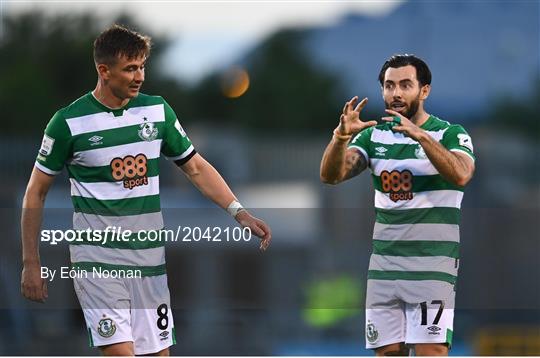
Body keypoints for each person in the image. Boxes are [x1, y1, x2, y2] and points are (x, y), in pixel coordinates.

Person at [20, 24, 271, 356]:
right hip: (98, 262)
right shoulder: (68, 123)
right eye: (130, 69)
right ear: (103, 70)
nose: (139, 76)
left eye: (141, 66)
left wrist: (239, 212)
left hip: (150, 263)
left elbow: (195, 167)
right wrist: (31, 261)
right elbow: (35, 192)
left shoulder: (157, 111)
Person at [320, 54, 475, 356]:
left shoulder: (451, 133)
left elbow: (461, 174)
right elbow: (330, 176)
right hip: (384, 266)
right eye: (389, 86)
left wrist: (420, 135)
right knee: (387, 353)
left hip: (432, 265)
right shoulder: (371, 137)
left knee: (430, 352)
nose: (396, 93)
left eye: (405, 85)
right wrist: (340, 137)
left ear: (424, 91)